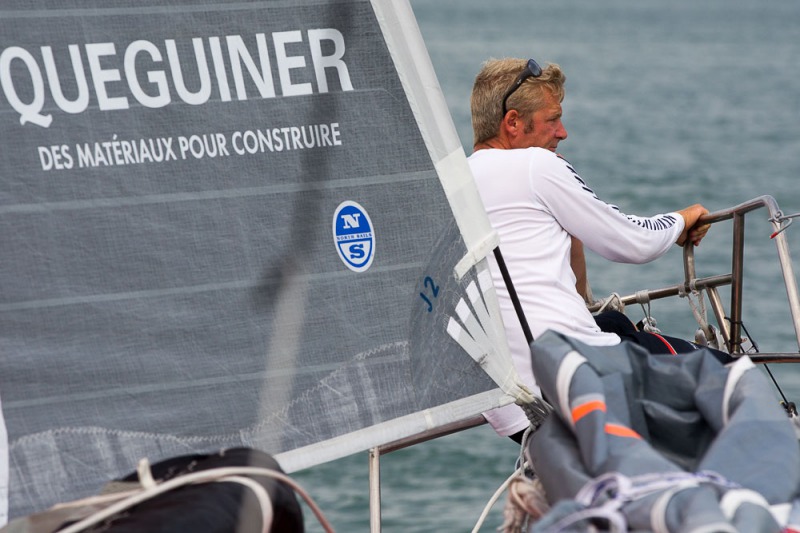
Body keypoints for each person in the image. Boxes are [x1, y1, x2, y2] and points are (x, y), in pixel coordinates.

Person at [468, 57, 715, 443]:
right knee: (726, 374)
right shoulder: (534, 166)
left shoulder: (455, 183)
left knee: (614, 324)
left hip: (512, 409)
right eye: (553, 119)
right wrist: (683, 219)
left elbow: (577, 290)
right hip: (575, 377)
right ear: (513, 122)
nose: (563, 133)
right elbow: (633, 242)